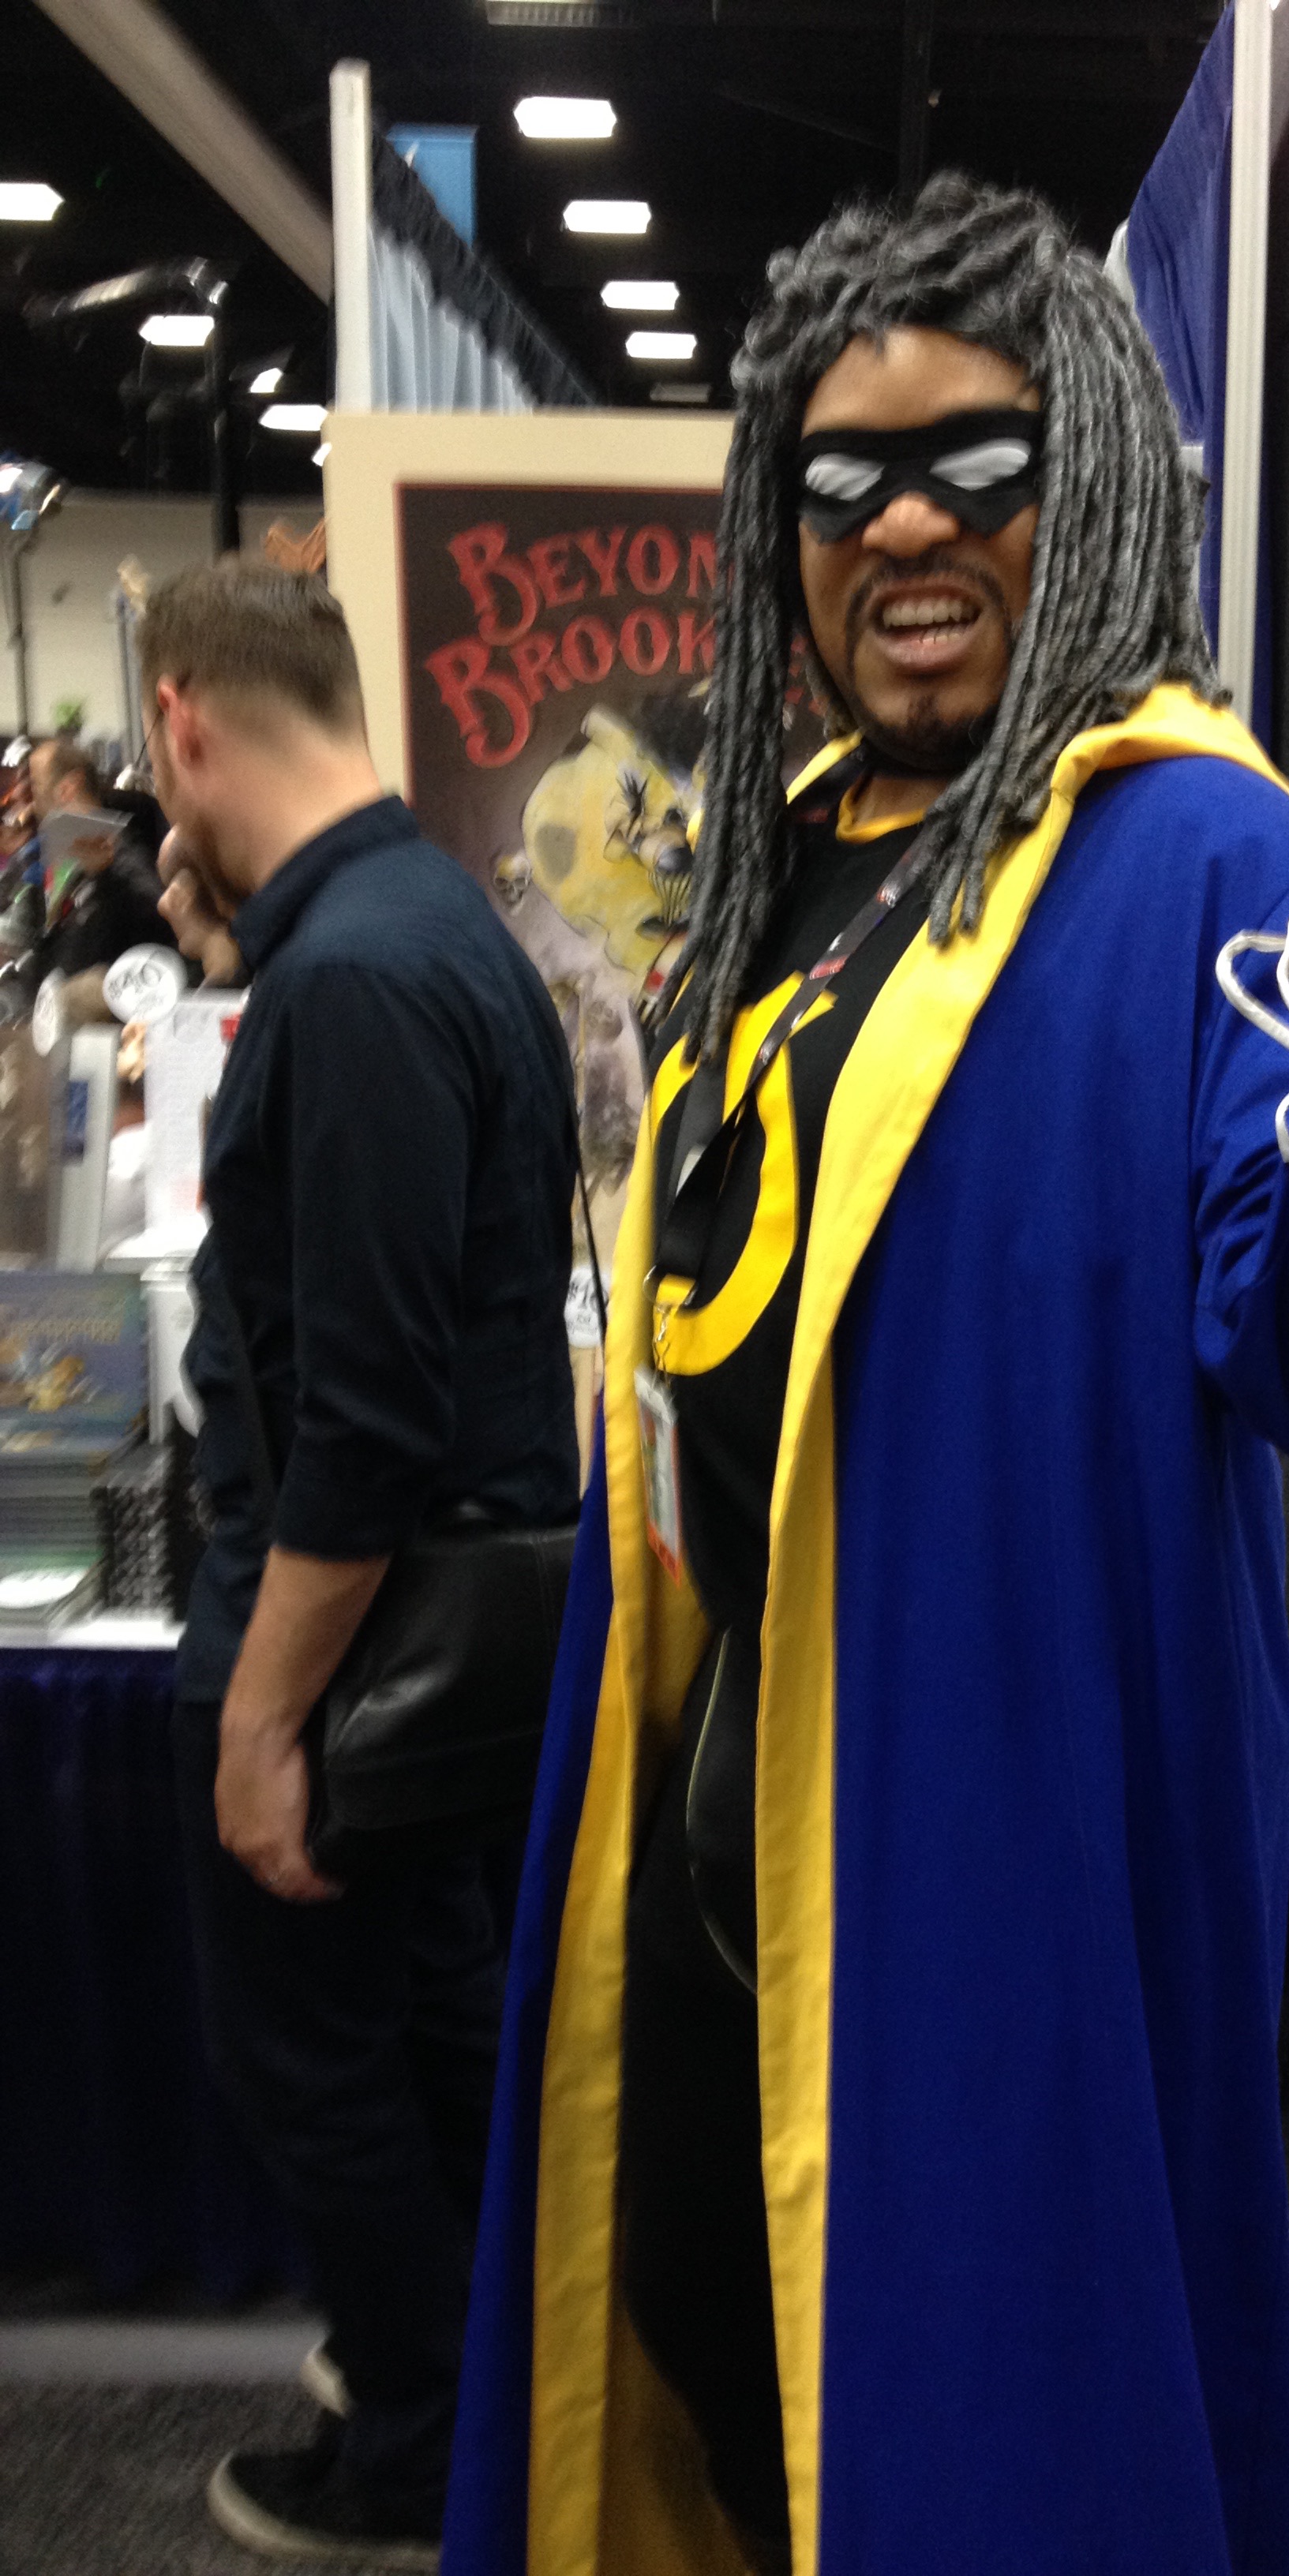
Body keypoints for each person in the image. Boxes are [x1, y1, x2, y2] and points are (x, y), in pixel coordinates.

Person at [445, 176, 1289, 2576]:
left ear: (1087, 482)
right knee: (707, 2393)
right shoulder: (786, 860)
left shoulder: (1197, 854)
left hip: (986, 1899)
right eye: (841, 476)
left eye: (976, 467)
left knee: (979, 2456)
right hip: (700, 1859)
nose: (903, 524)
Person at [146, 560, 581, 2567]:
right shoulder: (421, 922)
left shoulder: (359, 978)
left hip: (353, 1621)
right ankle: (470, 2390)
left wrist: (261, 1717)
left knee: (319, 2058)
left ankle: (420, 2442)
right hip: (437, 1614)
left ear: (179, 724)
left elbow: (366, 1419)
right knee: (424, 2028)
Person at [19, 738, 174, 1005]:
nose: (30, 802)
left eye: (35, 785)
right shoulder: (59, 865)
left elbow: (157, 921)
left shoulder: (124, 854)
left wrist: (106, 878)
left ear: (68, 788)